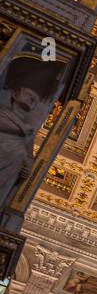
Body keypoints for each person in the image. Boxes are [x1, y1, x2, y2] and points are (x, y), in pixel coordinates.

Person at [0, 55, 64, 214]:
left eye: (35, 99)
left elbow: (28, 157)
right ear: (14, 94)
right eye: (29, 94)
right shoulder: (2, 113)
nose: (33, 99)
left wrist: (26, 167)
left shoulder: (28, 131)